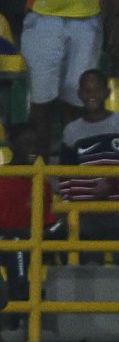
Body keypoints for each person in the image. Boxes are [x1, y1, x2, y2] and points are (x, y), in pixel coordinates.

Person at [22, 0, 119, 157]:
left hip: (87, 19)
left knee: (79, 99)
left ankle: (73, 173)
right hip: (43, 16)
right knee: (42, 99)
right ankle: (39, 175)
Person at [58, 69, 119, 266]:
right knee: (86, 267)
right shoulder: (71, 131)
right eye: (87, 91)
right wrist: (68, 205)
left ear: (106, 92)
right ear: (79, 94)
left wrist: (114, 182)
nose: (92, 95)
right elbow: (65, 174)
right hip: (84, 210)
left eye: (96, 90)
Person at [0, 124, 55, 308]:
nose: (31, 149)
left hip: (32, 237)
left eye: (35, 144)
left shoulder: (41, 181)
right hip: (6, 239)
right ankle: (21, 298)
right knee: (17, 244)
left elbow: (47, 220)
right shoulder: (2, 176)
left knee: (69, 228)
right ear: (13, 145)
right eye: (26, 143)